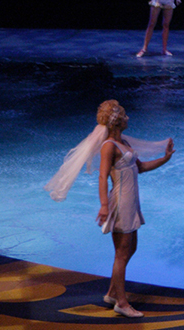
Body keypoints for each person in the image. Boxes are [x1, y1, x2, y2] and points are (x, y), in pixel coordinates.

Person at [43, 99, 174, 317]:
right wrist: (104, 206)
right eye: (124, 115)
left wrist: (166, 158)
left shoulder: (124, 144)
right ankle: (121, 303)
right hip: (121, 201)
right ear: (116, 121)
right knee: (122, 253)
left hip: (132, 202)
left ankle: (114, 292)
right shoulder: (109, 147)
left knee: (131, 248)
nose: (128, 118)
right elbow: (103, 176)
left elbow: (140, 168)